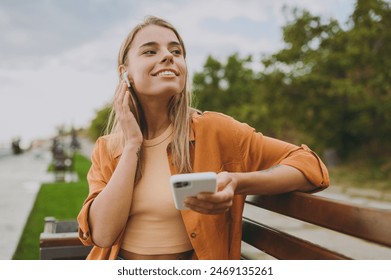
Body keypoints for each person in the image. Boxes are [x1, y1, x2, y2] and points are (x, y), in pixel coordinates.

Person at [77, 15, 330, 260]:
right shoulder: (107, 149)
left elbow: (310, 165)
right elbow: (102, 234)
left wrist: (236, 182)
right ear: (125, 73)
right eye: (150, 51)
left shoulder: (216, 130)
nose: (168, 56)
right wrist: (132, 144)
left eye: (176, 52)